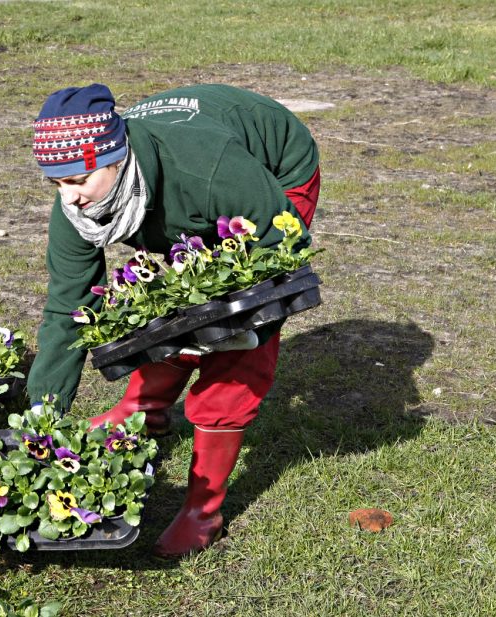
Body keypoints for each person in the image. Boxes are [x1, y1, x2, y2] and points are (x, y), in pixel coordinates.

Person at [24, 83, 321, 558]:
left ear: (118, 158)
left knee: (238, 331)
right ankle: (149, 408)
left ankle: (205, 509)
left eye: (79, 179)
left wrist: (231, 319)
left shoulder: (209, 168)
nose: (71, 197)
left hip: (270, 171)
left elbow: (280, 263)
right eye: (57, 183)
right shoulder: (80, 206)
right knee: (182, 300)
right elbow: (66, 311)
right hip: (179, 186)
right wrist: (38, 422)